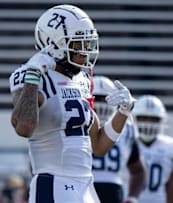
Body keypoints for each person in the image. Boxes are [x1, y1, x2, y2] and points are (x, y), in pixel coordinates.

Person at [9, 4, 135, 203]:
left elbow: (99, 146)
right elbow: (24, 127)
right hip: (54, 182)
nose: (85, 53)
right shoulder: (33, 75)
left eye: (88, 44)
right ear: (54, 43)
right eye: (78, 45)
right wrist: (32, 78)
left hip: (85, 184)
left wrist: (124, 112)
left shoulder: (81, 80)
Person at [91, 76, 146, 203]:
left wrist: (132, 197)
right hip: (82, 185)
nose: (100, 103)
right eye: (96, 98)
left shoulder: (127, 128)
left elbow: (138, 170)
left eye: (105, 99)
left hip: (113, 192)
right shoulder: (79, 122)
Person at [131, 95, 173, 203]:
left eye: (154, 119)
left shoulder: (172, 148)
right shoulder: (126, 142)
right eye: (143, 118)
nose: (148, 123)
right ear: (134, 118)